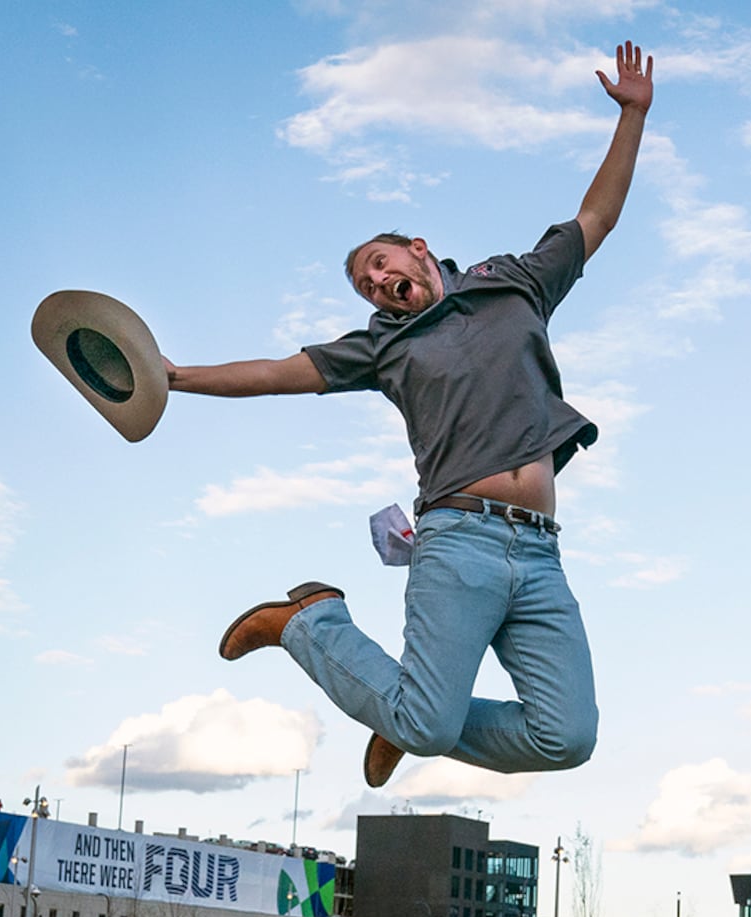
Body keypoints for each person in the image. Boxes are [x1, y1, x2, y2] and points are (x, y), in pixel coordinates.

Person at [176, 38, 655, 789]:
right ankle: (309, 624)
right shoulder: (381, 347)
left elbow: (598, 215)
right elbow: (273, 372)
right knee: (426, 720)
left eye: (379, 263)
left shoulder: (516, 283)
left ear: (417, 250)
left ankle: (397, 709)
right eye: (366, 284)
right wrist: (173, 377)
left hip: (541, 553)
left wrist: (632, 116)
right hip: (458, 540)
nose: (375, 283)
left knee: (566, 736)